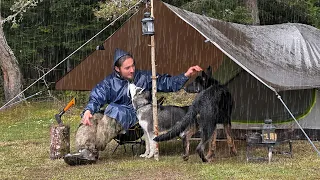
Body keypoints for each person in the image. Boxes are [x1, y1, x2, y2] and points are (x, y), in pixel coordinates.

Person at [64, 48, 202, 166]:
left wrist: (186, 75)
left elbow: (168, 83)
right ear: (117, 69)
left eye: (133, 66)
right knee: (92, 118)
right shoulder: (109, 83)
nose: (132, 70)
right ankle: (84, 151)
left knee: (114, 112)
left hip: (134, 117)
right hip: (112, 113)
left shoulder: (145, 77)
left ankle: (92, 150)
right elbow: (96, 97)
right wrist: (88, 110)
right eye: (127, 68)